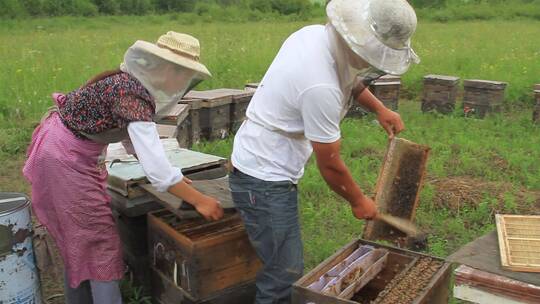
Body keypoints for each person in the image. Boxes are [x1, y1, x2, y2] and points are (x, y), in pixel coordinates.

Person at [228, 0, 420, 302]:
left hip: (264, 160)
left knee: (281, 261)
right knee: (283, 274)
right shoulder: (321, 87)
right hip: (264, 178)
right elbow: (330, 165)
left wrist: (379, 108)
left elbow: (351, 80)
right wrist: (358, 201)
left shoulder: (315, 35)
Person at [23, 31, 224, 304]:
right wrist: (200, 201)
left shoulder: (128, 85)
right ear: (165, 68)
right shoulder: (133, 96)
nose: (183, 82)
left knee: (79, 237)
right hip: (64, 159)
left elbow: (135, 144)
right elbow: (157, 169)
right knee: (99, 242)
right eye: (182, 74)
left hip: (61, 150)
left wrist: (177, 180)